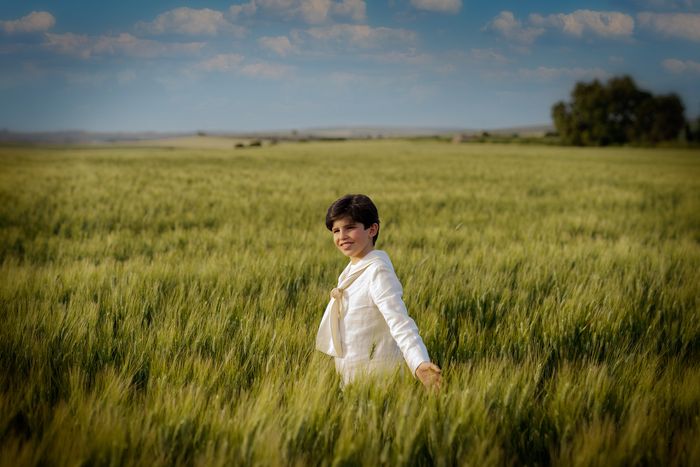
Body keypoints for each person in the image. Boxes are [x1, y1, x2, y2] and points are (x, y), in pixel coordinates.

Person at [316, 194, 442, 390]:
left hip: (380, 380)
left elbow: (399, 321)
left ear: (372, 229)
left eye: (350, 228)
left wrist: (419, 363)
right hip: (352, 377)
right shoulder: (350, 272)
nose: (341, 237)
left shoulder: (378, 271)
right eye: (336, 230)